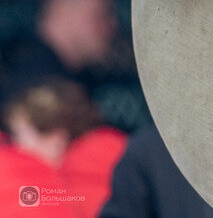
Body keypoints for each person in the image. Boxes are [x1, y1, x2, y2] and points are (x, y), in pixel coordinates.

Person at [0, 0, 150, 133]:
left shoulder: (70, 75)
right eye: (100, 15)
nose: (112, 27)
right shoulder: (35, 84)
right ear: (65, 13)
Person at [0, 79, 127, 216]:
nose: (15, 146)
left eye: (18, 136)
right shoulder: (111, 145)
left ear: (56, 139)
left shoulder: (79, 174)